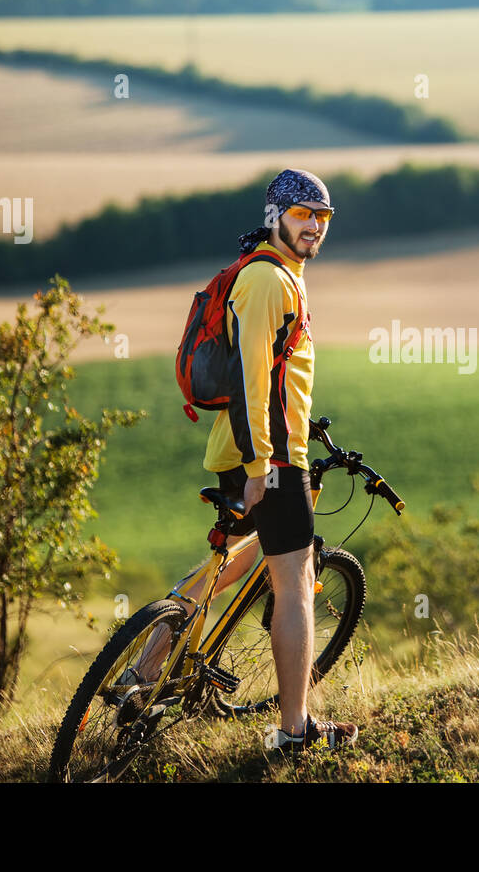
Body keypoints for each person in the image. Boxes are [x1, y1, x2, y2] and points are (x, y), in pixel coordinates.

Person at [124, 169, 357, 753]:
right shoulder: (269, 280)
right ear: (275, 215)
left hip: (268, 450)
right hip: (270, 457)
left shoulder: (279, 276)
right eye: (303, 215)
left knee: (244, 557)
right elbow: (255, 380)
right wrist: (263, 469)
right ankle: (294, 730)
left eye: (322, 218)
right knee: (298, 581)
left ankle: (144, 673)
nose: (314, 227)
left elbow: (277, 376)